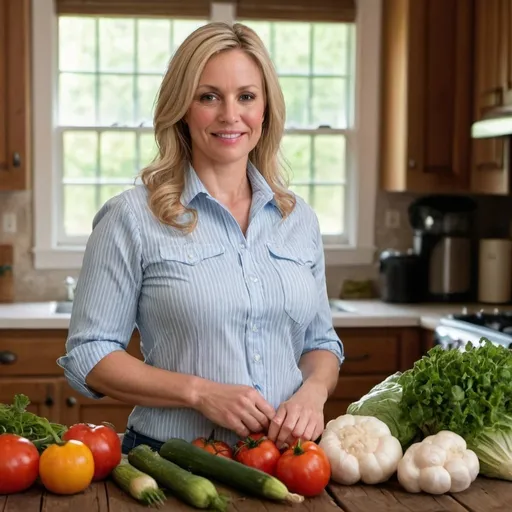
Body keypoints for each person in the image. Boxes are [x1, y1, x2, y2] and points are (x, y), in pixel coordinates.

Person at [57, 21, 344, 455]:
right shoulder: (132, 217)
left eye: (246, 96)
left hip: (287, 462)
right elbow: (89, 355)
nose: (231, 115)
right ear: (183, 108)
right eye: (209, 96)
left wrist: (314, 393)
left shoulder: (297, 219)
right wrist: (199, 392)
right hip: (173, 462)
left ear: (265, 109)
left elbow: (320, 344)